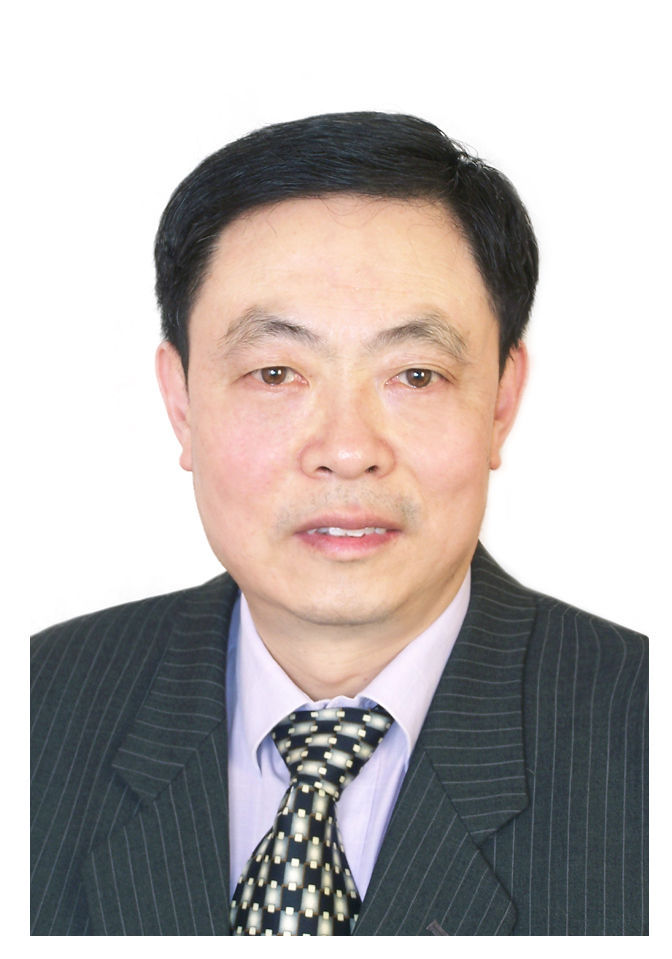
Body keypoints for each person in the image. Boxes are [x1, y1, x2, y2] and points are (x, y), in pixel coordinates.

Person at [30, 112, 648, 936]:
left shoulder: (643, 733)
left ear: (502, 401)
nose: (348, 450)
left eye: (415, 374)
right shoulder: (35, 710)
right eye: (276, 372)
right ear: (181, 403)